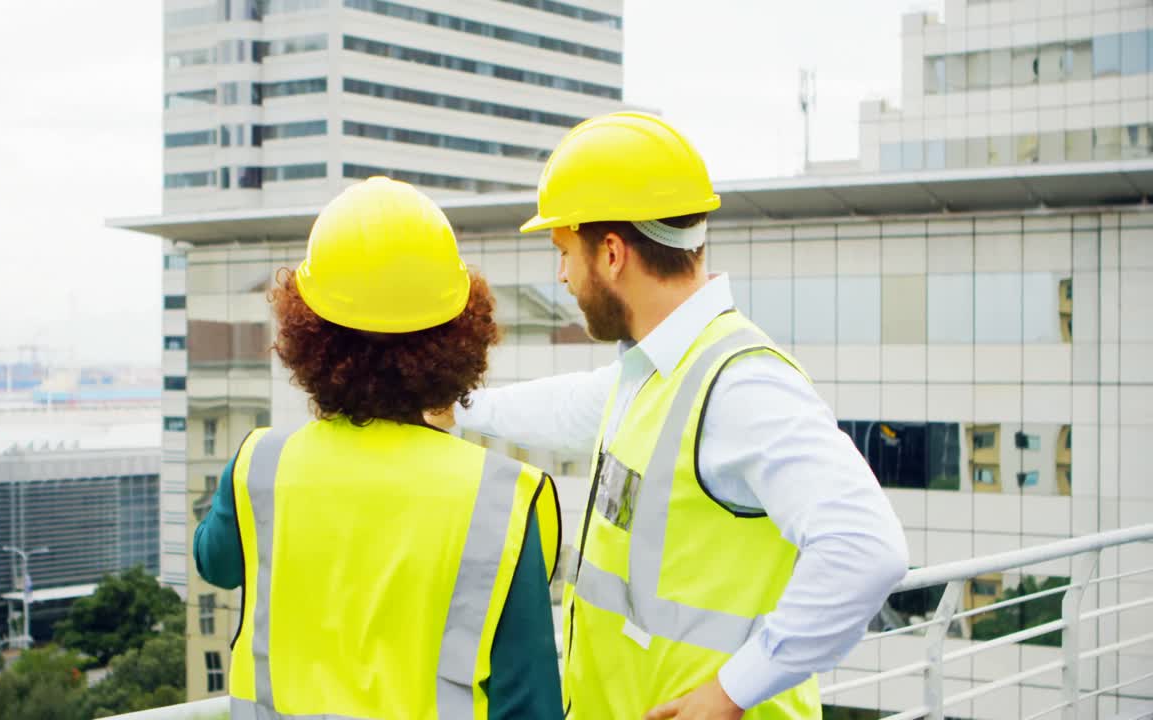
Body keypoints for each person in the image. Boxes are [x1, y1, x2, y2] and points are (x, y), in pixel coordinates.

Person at [430, 112, 909, 720]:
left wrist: (729, 694)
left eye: (563, 252)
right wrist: (460, 408)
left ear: (610, 253)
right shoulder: (658, 372)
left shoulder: (741, 384)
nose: (562, 276)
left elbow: (867, 549)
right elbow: (576, 405)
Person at [194, 176, 563, 720]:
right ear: (460, 335)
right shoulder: (500, 497)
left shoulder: (260, 466)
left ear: (308, 333)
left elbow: (214, 561)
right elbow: (530, 701)